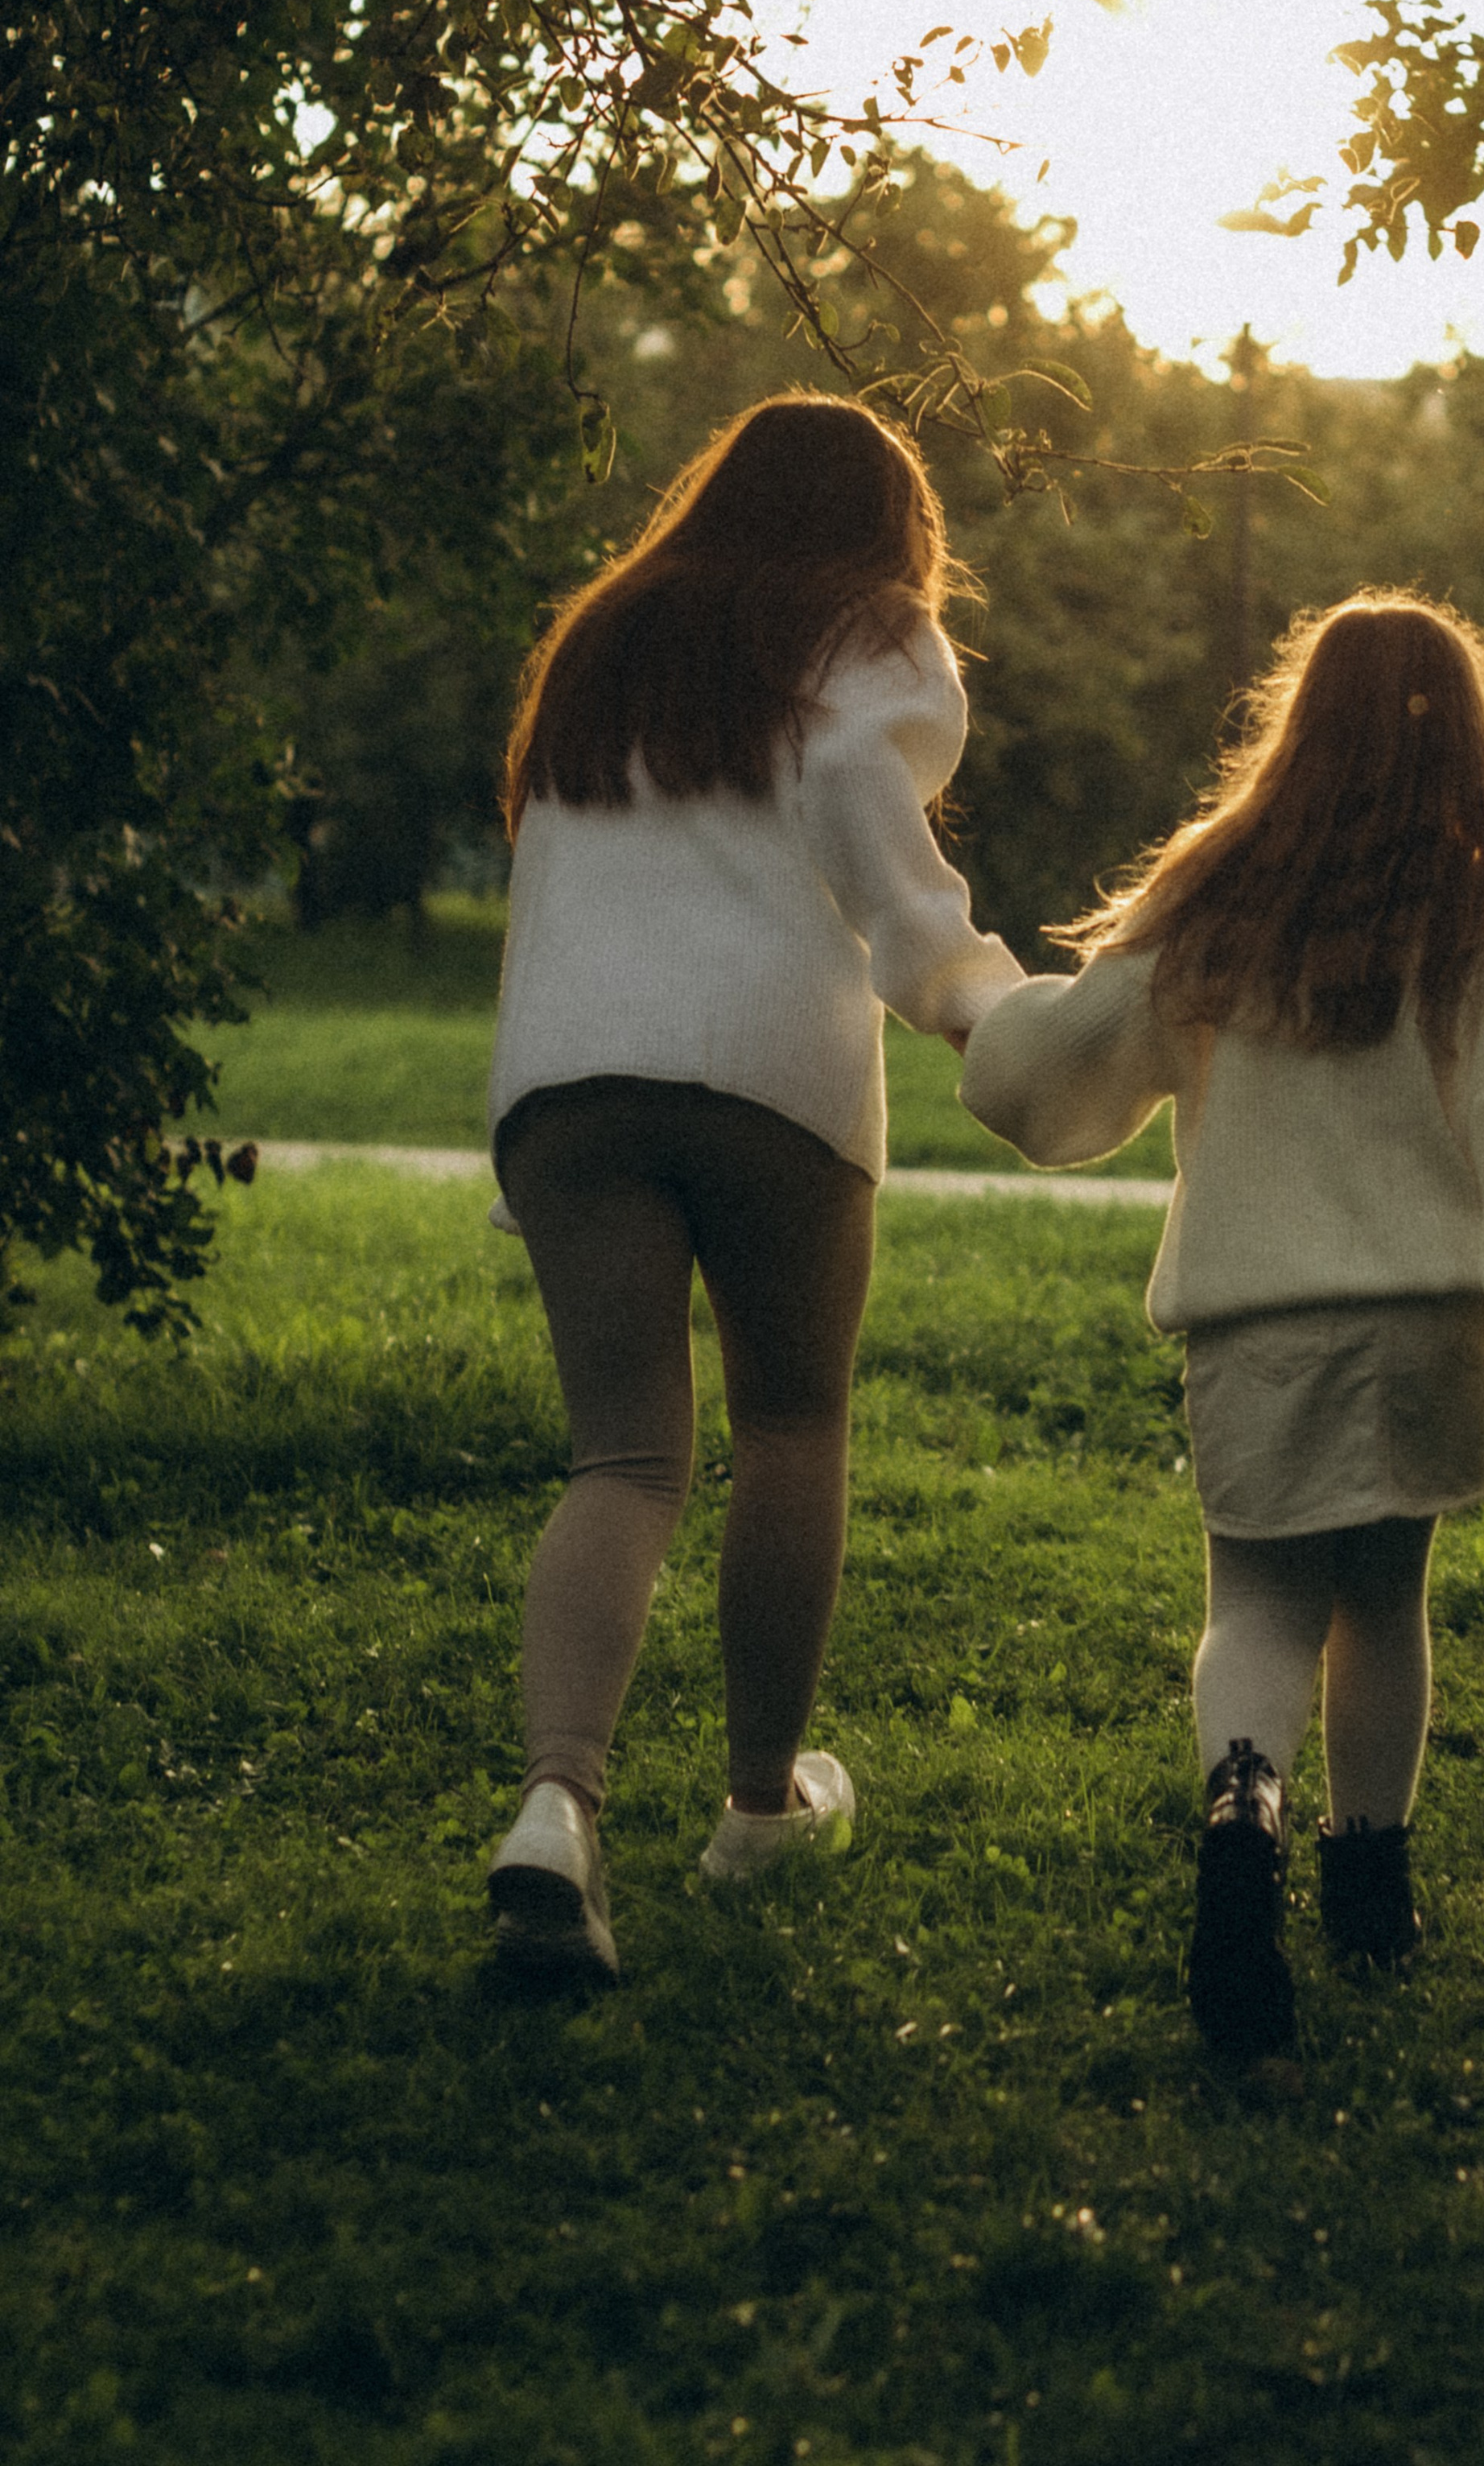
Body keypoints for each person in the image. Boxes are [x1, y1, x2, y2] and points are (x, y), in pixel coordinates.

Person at [959, 591, 1484, 2059]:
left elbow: (1072, 1060)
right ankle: (1371, 1882)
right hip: (1424, 1328)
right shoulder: (1478, 913)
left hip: (1256, 1327)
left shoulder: (1216, 896)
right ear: (1469, 740)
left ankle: (1242, 1818)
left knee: (1261, 1603)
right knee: (1384, 1602)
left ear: (1300, 718)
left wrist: (973, 1009)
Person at [481, 395, 1023, 1984]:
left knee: (625, 1459)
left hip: (566, 1078)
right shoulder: (865, 631)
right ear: (885, 526)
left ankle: (553, 1810)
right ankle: (755, 1809)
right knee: (790, 1428)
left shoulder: (606, 634)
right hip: (764, 1069)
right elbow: (871, 825)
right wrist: (977, 1000)